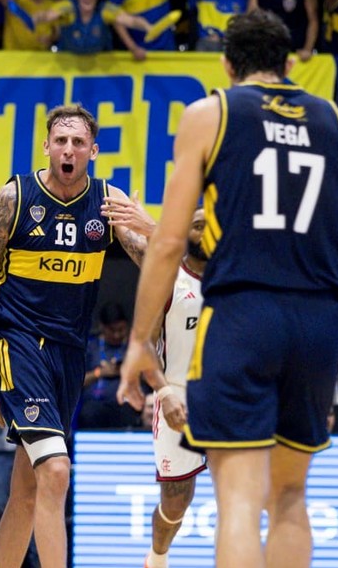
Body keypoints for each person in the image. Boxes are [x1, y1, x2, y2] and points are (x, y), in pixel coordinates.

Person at [116, 10, 338, 568]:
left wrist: (138, 341)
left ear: (227, 65)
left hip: (246, 312)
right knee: (290, 497)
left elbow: (170, 240)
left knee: (240, 502)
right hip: (319, 316)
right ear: (290, 63)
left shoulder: (211, 114)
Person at [0, 103, 154, 568]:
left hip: (69, 352)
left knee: (27, 492)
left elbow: (157, 265)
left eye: (78, 142)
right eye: (61, 141)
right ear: (46, 146)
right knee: (56, 471)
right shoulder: (14, 198)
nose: (68, 150)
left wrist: (148, 226)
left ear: (94, 150)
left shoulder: (107, 202)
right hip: (17, 342)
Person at [118, 209, 208, 568]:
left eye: (211, 224)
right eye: (197, 225)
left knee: (242, 490)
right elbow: (144, 343)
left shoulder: (235, 278)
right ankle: (157, 558)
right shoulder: (170, 278)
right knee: (176, 500)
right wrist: (165, 393)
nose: (205, 231)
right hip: (178, 392)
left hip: (226, 395)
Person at [37, 0, 153, 55]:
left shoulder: (105, 9)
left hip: (99, 65)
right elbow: (48, 15)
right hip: (68, 64)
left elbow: (131, 21)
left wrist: (147, 27)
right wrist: (40, 18)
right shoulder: (68, 6)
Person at [78, 302, 138, 429]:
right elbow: (77, 382)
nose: (117, 335)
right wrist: (99, 373)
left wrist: (126, 370)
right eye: (112, 330)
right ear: (102, 327)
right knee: (88, 413)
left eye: (121, 330)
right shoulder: (90, 347)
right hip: (95, 404)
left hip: (125, 404)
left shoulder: (133, 347)